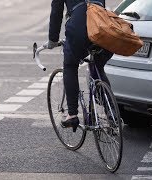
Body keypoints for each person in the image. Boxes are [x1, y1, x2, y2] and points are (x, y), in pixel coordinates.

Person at [45, 0, 114, 131]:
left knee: (70, 66)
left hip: (79, 26)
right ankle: (112, 114)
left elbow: (56, 12)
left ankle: (72, 114)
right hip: (104, 26)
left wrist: (52, 40)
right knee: (98, 67)